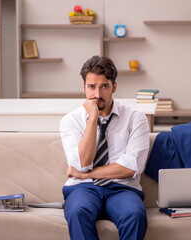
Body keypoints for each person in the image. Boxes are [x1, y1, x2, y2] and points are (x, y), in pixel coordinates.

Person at [60, 55, 150, 240]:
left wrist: (86, 174)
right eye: (91, 87)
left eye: (104, 86)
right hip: (82, 189)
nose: (97, 95)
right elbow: (83, 162)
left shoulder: (135, 118)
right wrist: (93, 119)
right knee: (78, 212)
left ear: (114, 87)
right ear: (84, 87)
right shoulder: (71, 120)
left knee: (135, 215)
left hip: (122, 189)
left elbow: (130, 167)